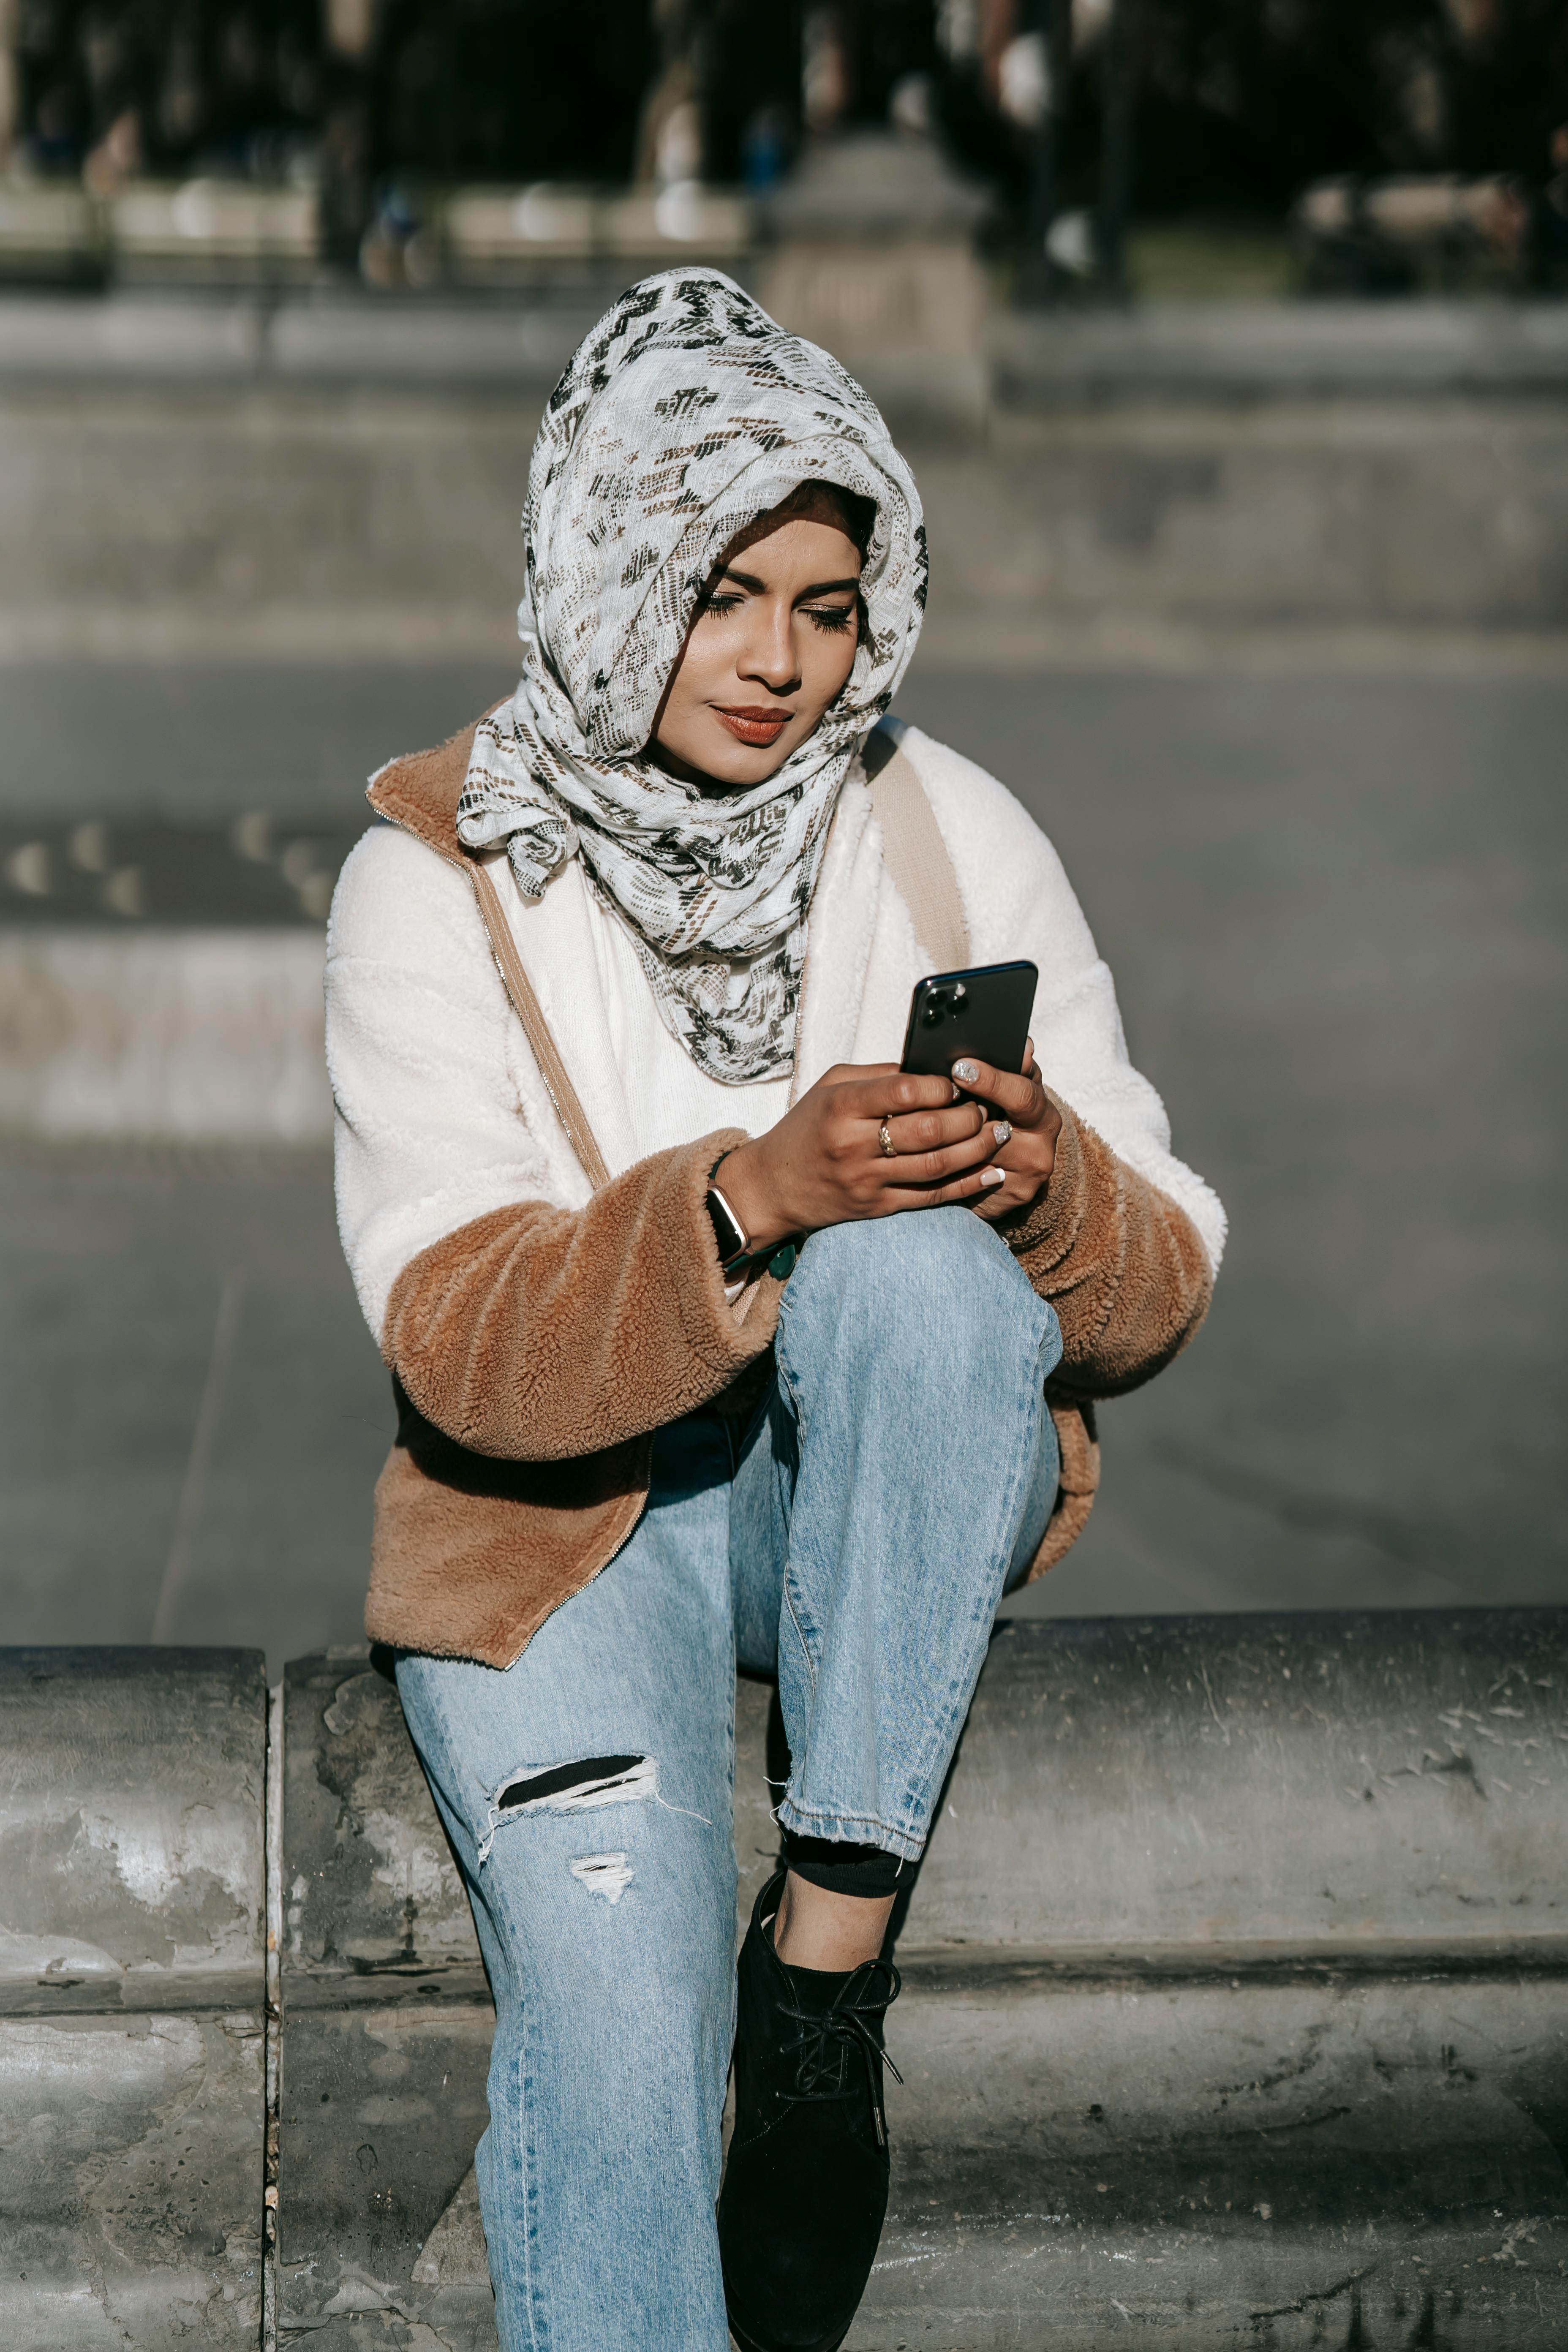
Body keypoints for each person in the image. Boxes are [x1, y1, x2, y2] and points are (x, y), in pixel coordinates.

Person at [326, 268, 1224, 2352]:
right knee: (617, 2000)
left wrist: (1038, 1180)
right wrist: (745, 1198)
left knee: (918, 1263)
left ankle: (821, 1975)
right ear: (619, 561)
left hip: (880, 1473)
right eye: (725, 589)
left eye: (829, 605)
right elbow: (459, 1339)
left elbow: (1158, 1275)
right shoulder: (440, 874)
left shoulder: (939, 824)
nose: (777, 661)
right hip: (566, 1537)